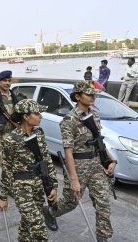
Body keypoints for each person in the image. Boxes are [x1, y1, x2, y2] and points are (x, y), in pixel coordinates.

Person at [44, 81, 115, 241]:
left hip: (96, 165)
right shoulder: (69, 120)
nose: (93, 97)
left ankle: (103, 238)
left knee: (103, 205)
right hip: (78, 167)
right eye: (89, 94)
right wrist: (74, 179)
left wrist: (111, 160)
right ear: (77, 96)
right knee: (70, 203)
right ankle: (49, 212)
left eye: (94, 94)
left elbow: (99, 141)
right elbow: (68, 151)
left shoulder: (94, 115)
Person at [0, 99, 58, 242]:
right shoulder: (11, 140)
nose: (40, 116)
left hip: (38, 185)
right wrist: (3, 196)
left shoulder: (39, 134)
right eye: (37, 113)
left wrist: (53, 185)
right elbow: (6, 169)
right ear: (25, 116)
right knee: (39, 230)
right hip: (22, 187)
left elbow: (47, 160)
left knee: (27, 225)